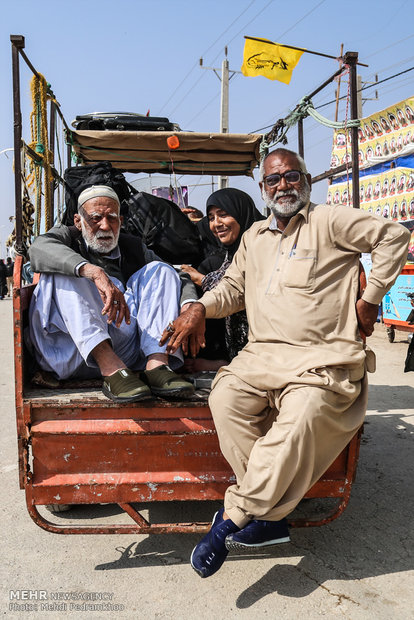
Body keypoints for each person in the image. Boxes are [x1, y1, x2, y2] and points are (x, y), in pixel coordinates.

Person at [160, 148, 410, 578]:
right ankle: (271, 517)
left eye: (291, 177)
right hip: (260, 357)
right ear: (263, 188)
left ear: (306, 180)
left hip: (322, 360)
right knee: (225, 398)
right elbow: (232, 290)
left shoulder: (329, 220)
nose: (283, 186)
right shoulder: (254, 237)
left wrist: (372, 299)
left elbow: (393, 235)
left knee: (303, 416)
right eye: (273, 180)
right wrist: (199, 307)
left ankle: (232, 519)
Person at [28, 185, 195, 402]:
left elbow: (177, 275)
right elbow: (38, 248)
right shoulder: (66, 237)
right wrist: (92, 272)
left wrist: (189, 306)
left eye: (112, 218)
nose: (105, 226)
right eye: (96, 218)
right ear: (78, 221)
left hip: (125, 353)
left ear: (121, 222)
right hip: (71, 354)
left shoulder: (131, 246)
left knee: (160, 270)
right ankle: (109, 367)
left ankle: (157, 365)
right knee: (64, 272)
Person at [182, 188, 264, 361]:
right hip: (238, 353)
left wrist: (201, 279)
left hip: (264, 352)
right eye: (211, 218)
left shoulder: (262, 247)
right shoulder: (230, 252)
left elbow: (237, 287)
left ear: (241, 213)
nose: (216, 223)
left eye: (223, 214)